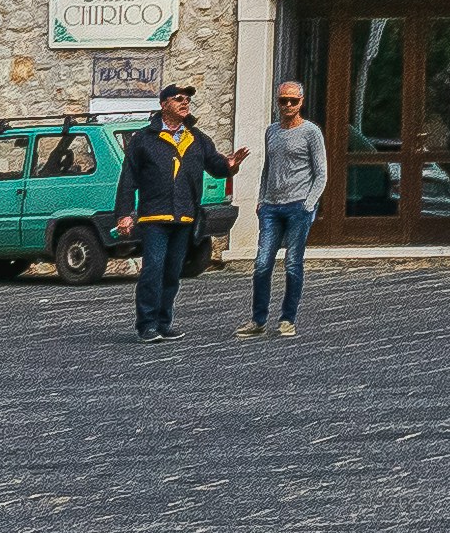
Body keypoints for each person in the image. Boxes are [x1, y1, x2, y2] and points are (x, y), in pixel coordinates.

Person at [114, 82, 223, 339]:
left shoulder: (197, 138)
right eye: (178, 98)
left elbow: (216, 165)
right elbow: (128, 179)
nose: (185, 102)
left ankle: (164, 323)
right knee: (153, 269)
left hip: (184, 216)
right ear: (164, 105)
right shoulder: (143, 139)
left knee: (173, 272)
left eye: (187, 99)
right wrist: (124, 214)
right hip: (154, 217)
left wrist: (230, 164)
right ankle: (147, 325)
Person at [245, 72, 328, 337]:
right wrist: (261, 199)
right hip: (271, 207)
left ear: (301, 102)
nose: (288, 105)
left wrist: (309, 204)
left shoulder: (311, 132)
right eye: (283, 100)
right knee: (262, 264)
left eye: (293, 100)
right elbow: (267, 168)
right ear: (277, 102)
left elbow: (321, 173)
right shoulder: (271, 131)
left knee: (293, 263)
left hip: (298, 206)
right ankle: (258, 320)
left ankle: (287, 319)